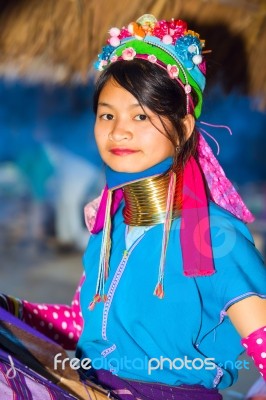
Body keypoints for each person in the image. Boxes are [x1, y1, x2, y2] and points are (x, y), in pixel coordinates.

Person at [0, 14, 266, 400]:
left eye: (140, 115)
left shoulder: (216, 238)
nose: (118, 130)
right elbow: (83, 323)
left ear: (185, 127)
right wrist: (9, 310)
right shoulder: (110, 227)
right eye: (107, 114)